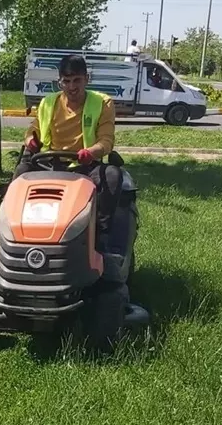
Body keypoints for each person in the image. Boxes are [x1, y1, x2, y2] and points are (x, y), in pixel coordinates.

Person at [14, 54, 133, 272]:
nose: (72, 87)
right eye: (66, 81)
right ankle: (10, 232)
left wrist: (92, 151)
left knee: (113, 176)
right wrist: (30, 139)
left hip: (85, 166)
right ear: (59, 82)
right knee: (20, 174)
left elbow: (106, 140)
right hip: (49, 163)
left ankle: (100, 237)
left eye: (77, 80)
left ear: (86, 79)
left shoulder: (102, 103)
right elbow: (35, 129)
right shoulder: (48, 103)